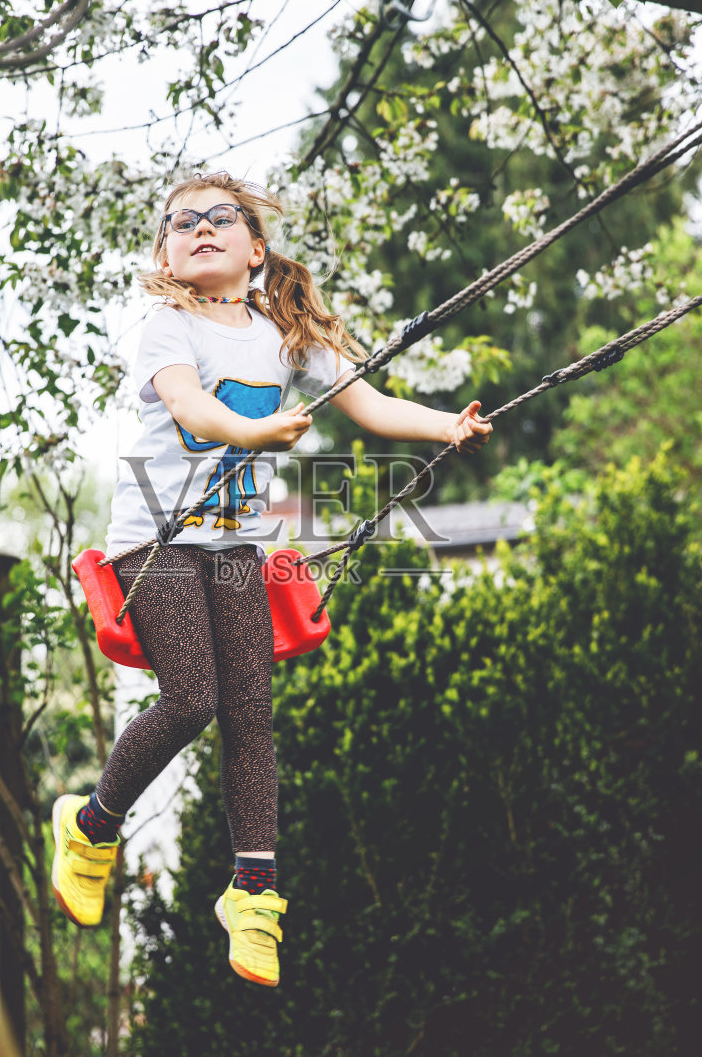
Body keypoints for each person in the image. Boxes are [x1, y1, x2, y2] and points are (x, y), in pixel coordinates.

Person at [51, 171, 492, 987]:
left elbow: (369, 402)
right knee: (192, 700)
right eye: (181, 222)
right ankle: (89, 827)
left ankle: (253, 896)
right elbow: (192, 409)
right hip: (156, 541)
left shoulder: (284, 332)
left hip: (238, 546)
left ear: (256, 249)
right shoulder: (166, 326)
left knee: (252, 711)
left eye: (222, 217)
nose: (201, 227)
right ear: (166, 253)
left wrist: (445, 425)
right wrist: (255, 430)